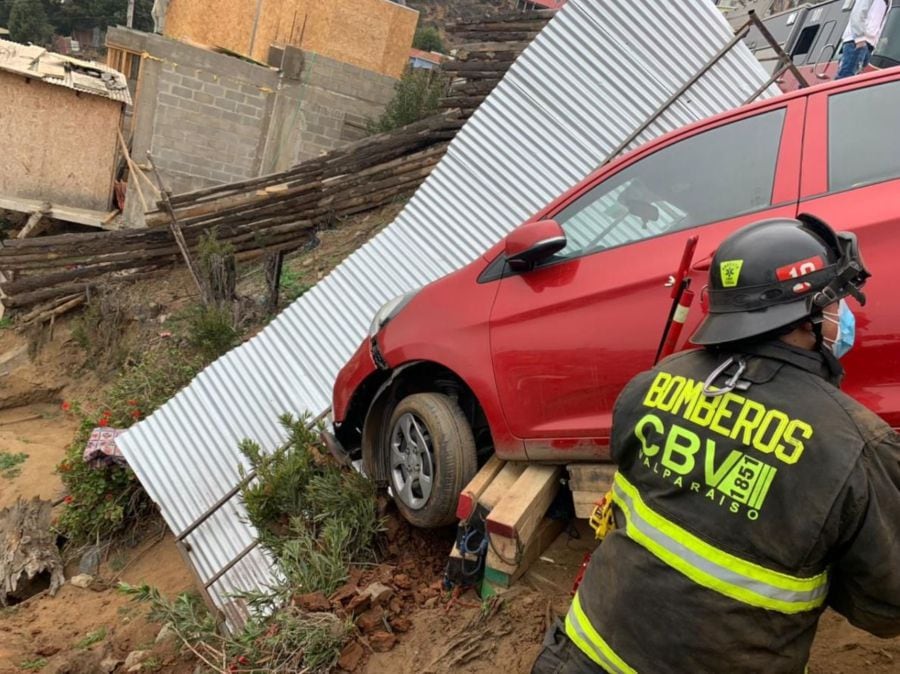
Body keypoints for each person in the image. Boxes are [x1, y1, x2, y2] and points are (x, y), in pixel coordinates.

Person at [532, 215, 900, 673]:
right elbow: (885, 606)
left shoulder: (654, 384)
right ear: (808, 314)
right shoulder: (857, 447)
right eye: (838, 302)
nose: (844, 317)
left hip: (576, 656)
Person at [836, 0, 889, 79]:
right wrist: (859, 38)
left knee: (853, 79)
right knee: (847, 77)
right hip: (856, 41)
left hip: (869, 43)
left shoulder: (888, 2)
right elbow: (857, 14)